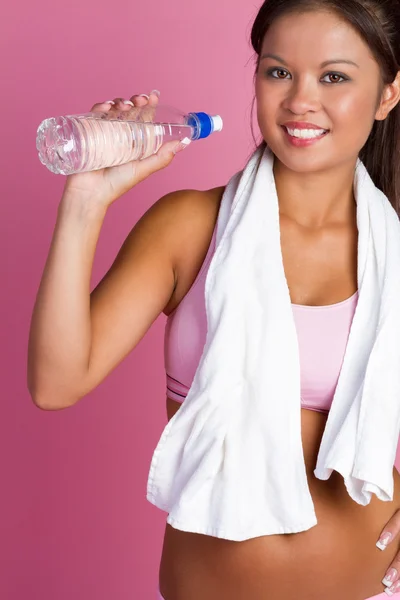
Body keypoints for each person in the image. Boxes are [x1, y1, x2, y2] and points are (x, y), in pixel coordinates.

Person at [27, 0, 400, 598]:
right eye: (278, 71)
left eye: (334, 76)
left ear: (387, 95)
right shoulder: (191, 226)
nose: (301, 100)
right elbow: (55, 382)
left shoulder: (395, 249)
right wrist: (86, 200)